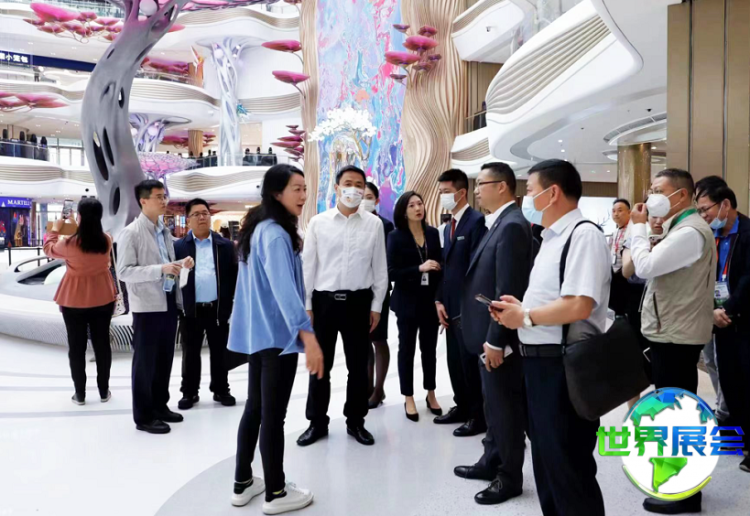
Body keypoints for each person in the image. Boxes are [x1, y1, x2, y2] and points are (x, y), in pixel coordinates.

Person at [491, 159, 610, 516]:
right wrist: (521, 308)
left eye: (530, 191)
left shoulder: (583, 235)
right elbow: (556, 299)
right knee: (546, 463)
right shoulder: (550, 237)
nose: (526, 199)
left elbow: (579, 305)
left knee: (568, 466)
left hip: (563, 366)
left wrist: (526, 316)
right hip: (539, 364)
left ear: (552, 192)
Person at [228, 164, 324, 514]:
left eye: (305, 188)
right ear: (276, 193)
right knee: (273, 416)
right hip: (276, 339)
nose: (303, 195)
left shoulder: (260, 229)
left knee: (256, 408)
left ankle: (243, 482)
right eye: (297, 189)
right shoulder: (276, 235)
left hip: (259, 335)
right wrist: (308, 336)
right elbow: (285, 291)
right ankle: (276, 492)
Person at [629, 168, 716, 514]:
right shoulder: (680, 228)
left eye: (657, 190)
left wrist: (637, 229)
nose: (651, 196)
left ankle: (686, 493)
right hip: (672, 330)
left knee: (677, 414)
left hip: (677, 334)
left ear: (680, 195)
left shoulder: (690, 232)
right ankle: (681, 486)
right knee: (673, 410)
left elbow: (645, 267)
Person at [456, 162, 533, 505]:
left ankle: (509, 476)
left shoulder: (513, 226)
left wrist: (496, 341)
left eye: (481, 184)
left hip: (499, 338)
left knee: (505, 409)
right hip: (486, 333)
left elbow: (507, 290)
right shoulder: (499, 222)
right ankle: (491, 460)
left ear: (501, 186)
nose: (477, 190)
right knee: (493, 404)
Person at [298, 165, 388, 447]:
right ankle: (317, 422)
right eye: (348, 183)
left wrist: (376, 306)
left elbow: (380, 269)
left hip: (358, 303)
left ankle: (356, 421)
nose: (354, 189)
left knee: (358, 366)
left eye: (359, 184)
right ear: (336, 188)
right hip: (323, 304)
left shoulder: (374, 224)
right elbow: (308, 267)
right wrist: (307, 304)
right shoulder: (318, 223)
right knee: (320, 365)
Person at [117, 180, 194, 435]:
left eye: (164, 196)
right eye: (159, 197)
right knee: (145, 363)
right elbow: (124, 272)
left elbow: (165, 263)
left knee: (164, 359)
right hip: (147, 306)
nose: (164, 201)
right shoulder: (131, 233)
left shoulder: (163, 230)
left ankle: (160, 406)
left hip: (168, 300)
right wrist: (160, 269)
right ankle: (144, 416)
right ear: (143, 201)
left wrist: (181, 263)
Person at [695, 176, 750, 473]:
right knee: (729, 380)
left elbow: (748, 280)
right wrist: (712, 310)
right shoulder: (710, 236)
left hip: (742, 319)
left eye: (706, 209)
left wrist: (726, 309)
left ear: (725, 204)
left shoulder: (748, 233)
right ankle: (737, 435)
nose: (703, 215)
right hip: (720, 321)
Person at [43, 198, 116, 405]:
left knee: (76, 348)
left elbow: (48, 248)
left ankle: (80, 394)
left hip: (73, 301)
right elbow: (91, 239)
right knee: (102, 346)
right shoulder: (107, 240)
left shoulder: (69, 244)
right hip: (102, 299)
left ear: (79, 216)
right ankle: (104, 391)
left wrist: (55, 229)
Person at [434, 168, 488, 435]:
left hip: (467, 309)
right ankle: (462, 406)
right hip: (449, 306)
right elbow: (446, 267)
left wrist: (469, 307)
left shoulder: (476, 222)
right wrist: (439, 301)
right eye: (440, 192)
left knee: (469, 364)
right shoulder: (448, 227)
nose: (442, 196)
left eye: (446, 192)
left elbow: (476, 269)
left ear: (462, 192)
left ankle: (478, 416)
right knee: (454, 362)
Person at [174, 199, 238, 410]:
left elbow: (233, 276)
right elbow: (173, 278)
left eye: (205, 213)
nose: (202, 217)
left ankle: (221, 389)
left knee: (220, 352)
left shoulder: (224, 245)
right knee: (190, 354)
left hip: (217, 309)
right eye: (196, 214)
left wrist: (230, 305)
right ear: (188, 220)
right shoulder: (179, 246)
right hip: (190, 310)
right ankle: (189, 392)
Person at [387, 191, 442, 422]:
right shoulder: (396, 236)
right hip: (407, 302)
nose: (418, 208)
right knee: (407, 350)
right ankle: (408, 396)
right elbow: (391, 272)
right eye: (412, 205)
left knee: (430, 350)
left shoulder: (433, 233)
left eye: (420, 203)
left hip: (429, 301)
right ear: (403, 211)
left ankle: (431, 393)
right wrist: (419, 269)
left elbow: (441, 266)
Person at [362, 182, 394, 409]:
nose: (364, 200)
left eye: (369, 196)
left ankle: (379, 389)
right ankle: (367, 387)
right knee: (363, 341)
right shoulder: (354, 222)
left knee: (378, 340)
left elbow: (387, 261)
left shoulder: (385, 225)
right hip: (358, 292)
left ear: (376, 200)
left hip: (379, 290)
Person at [609, 198, 631, 316]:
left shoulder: (632, 230)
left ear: (629, 212)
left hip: (627, 275)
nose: (616, 214)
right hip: (614, 273)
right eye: (613, 211)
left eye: (620, 210)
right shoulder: (615, 232)